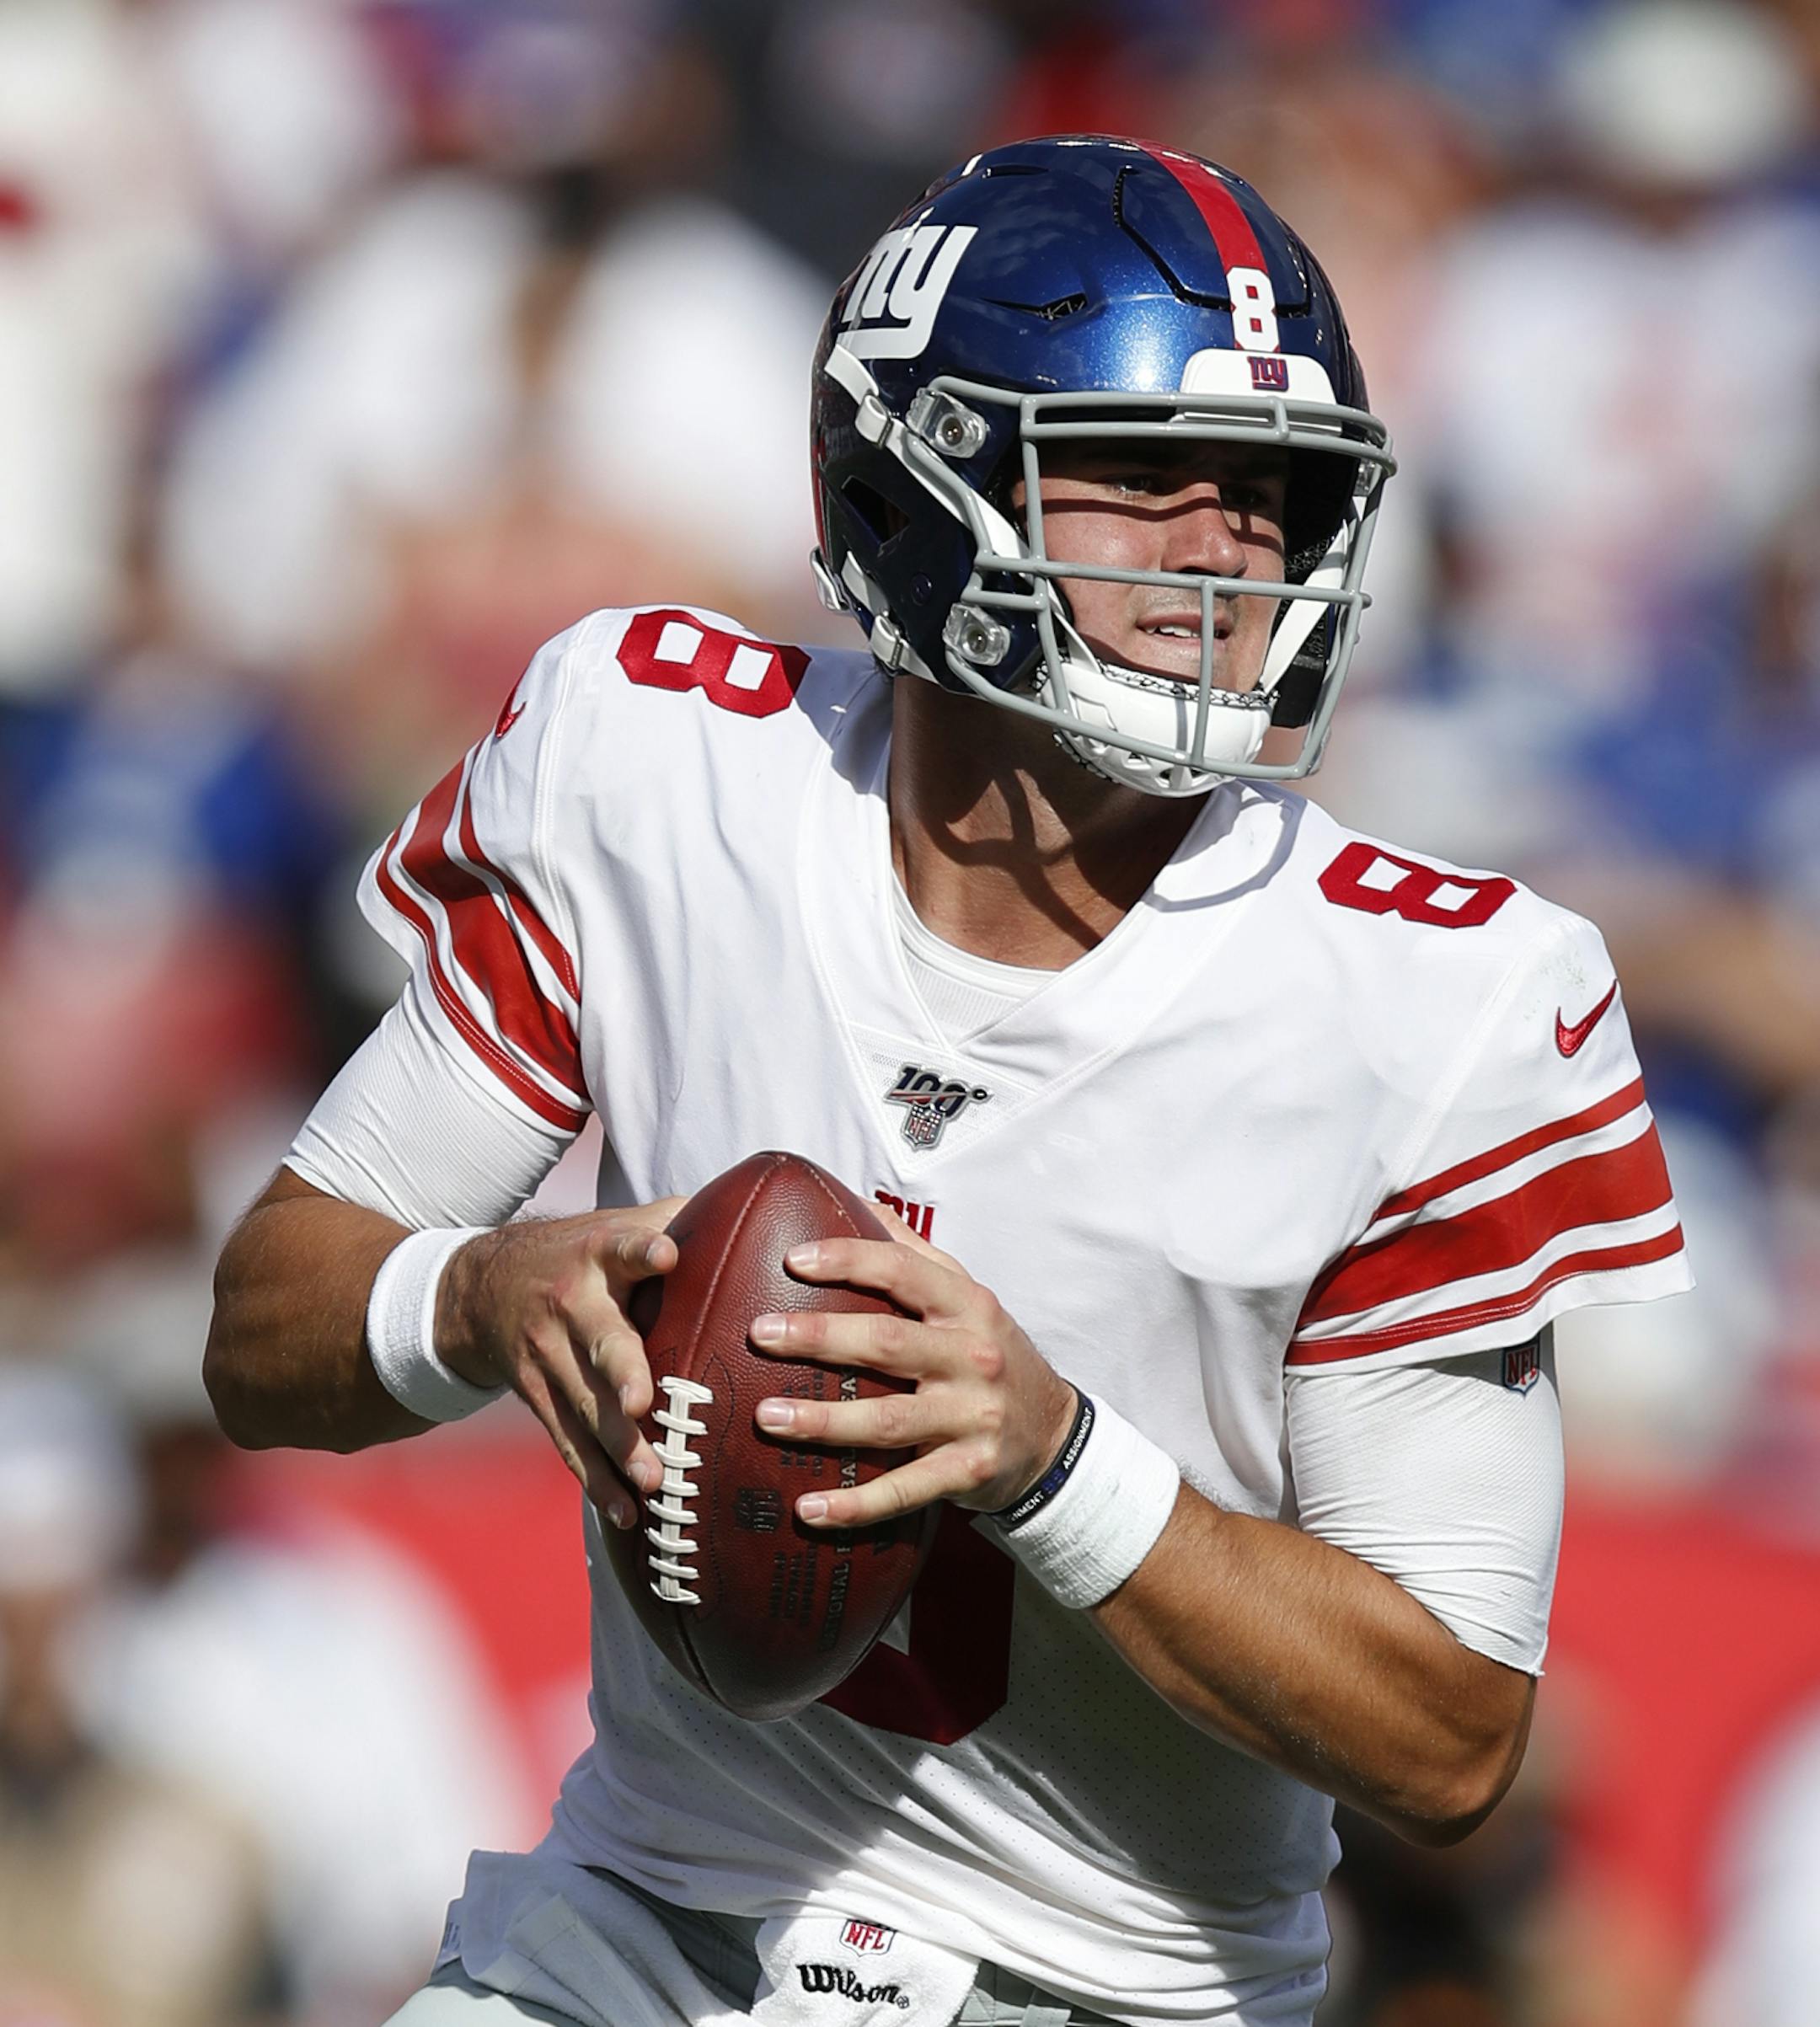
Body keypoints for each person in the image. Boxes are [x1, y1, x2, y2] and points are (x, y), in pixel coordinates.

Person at [205, 136, 1693, 2027]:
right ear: (916, 475)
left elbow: (1450, 1731)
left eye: (1266, 493)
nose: (1223, 547)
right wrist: (477, 1298)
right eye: (1145, 475)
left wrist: (1052, 1460)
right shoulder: (652, 770)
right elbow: (264, 1329)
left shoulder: (1437, 1001)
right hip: (635, 1933)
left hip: (1124, 1993)